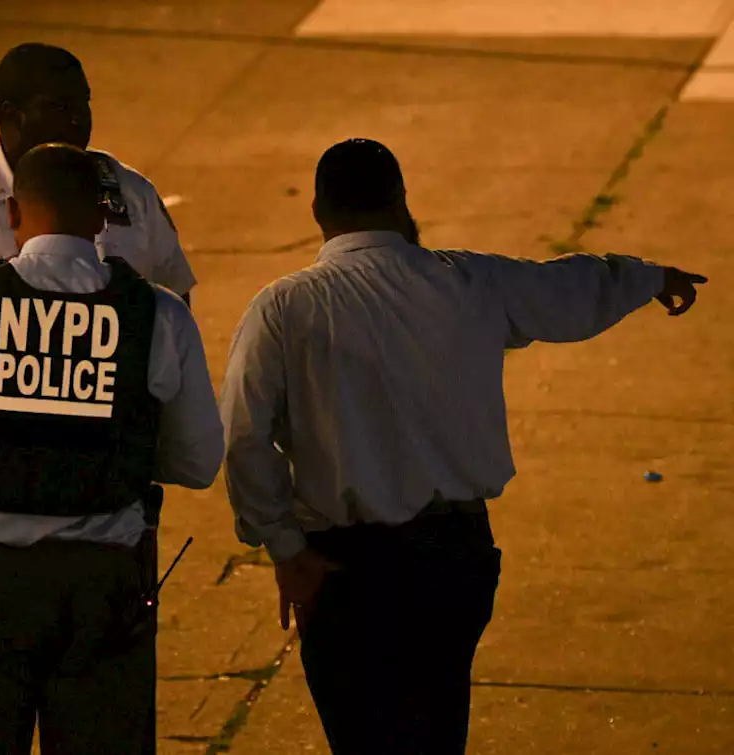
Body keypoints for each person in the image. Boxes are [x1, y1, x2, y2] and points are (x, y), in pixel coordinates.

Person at [220, 138, 707, 755]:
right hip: (451, 559)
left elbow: (243, 436)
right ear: (400, 201)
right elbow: (567, 290)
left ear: (318, 211)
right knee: (436, 727)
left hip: (344, 566)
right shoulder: (468, 281)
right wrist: (648, 278)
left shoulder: (282, 308)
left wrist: (286, 547)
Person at [0, 143, 223, 754]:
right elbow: (197, 463)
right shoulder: (157, 315)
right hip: (104, 588)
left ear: (12, 213)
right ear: (102, 217)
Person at [0, 42, 198, 379]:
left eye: (84, 102)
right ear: (12, 116)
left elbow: (175, 320)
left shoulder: (133, 195)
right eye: (59, 107)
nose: (78, 119)